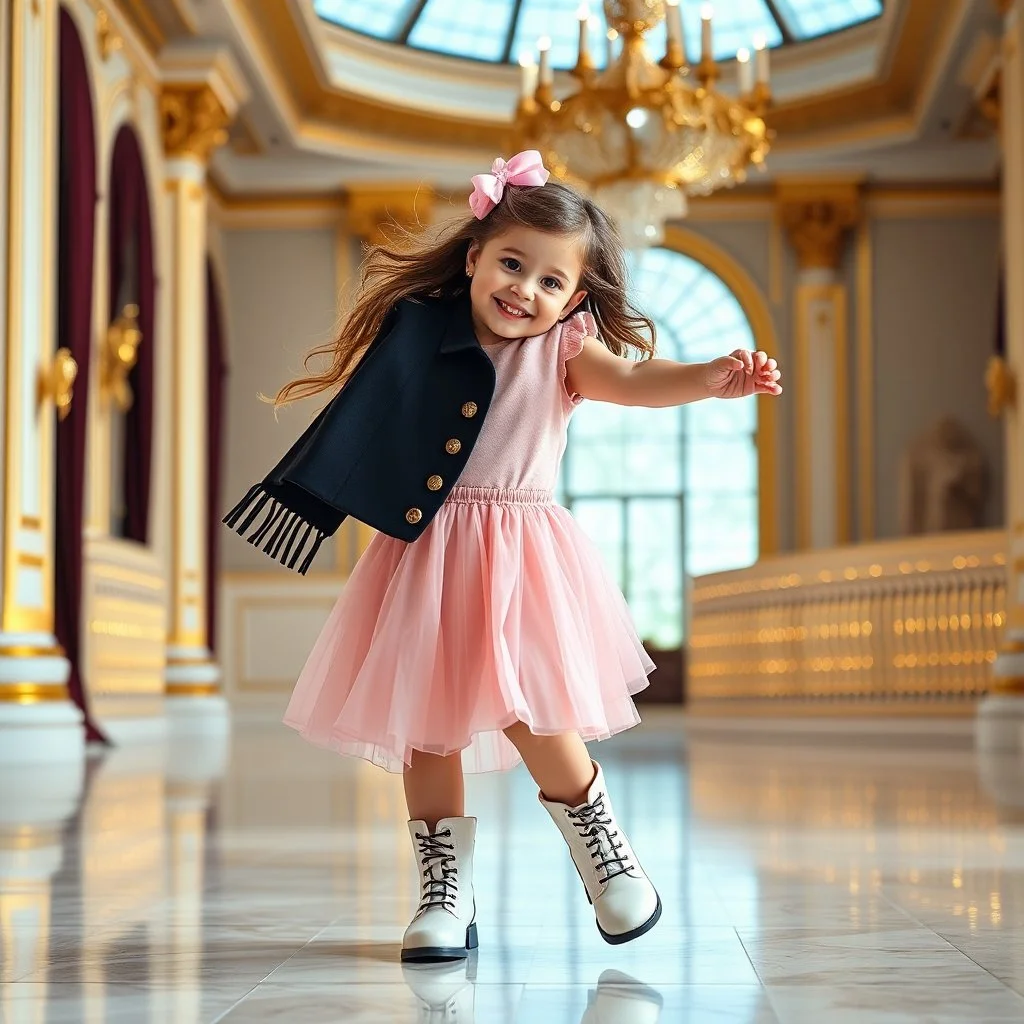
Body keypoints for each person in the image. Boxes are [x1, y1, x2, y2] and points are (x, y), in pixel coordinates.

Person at [223, 151, 782, 965]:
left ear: (575, 299)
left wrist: (709, 378)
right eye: (513, 265)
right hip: (424, 556)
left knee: (536, 714)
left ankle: (603, 853)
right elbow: (370, 425)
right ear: (476, 256)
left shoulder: (562, 353)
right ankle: (445, 887)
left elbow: (634, 380)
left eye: (551, 282)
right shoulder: (421, 336)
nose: (526, 291)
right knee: (426, 729)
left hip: (518, 556)